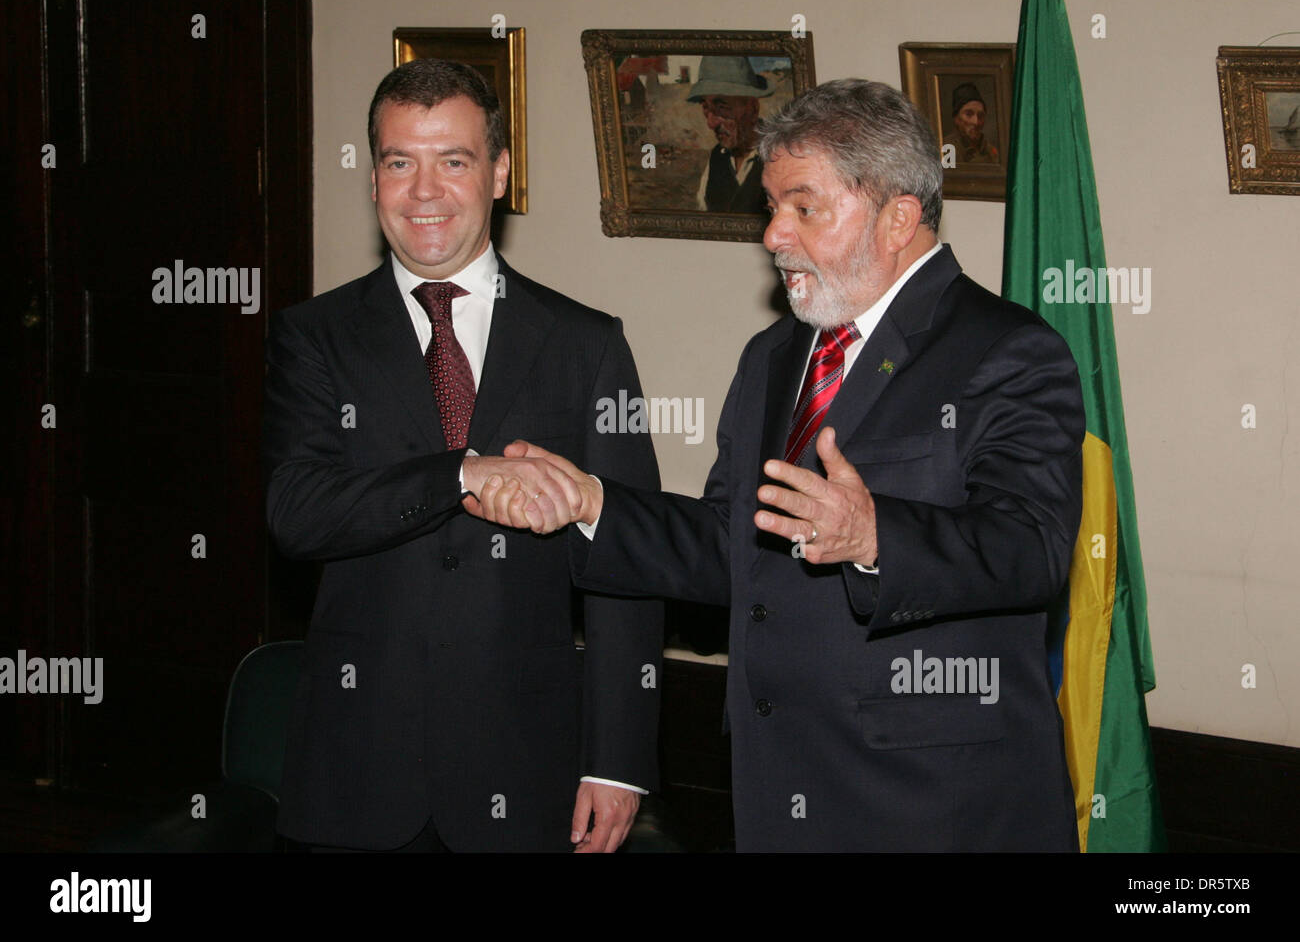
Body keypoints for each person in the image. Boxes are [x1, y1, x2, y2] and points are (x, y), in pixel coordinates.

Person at [470, 79, 1084, 852]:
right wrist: (590, 502)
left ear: (898, 216)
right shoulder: (773, 357)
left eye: (804, 207)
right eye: (771, 206)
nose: (772, 235)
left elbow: (1031, 549)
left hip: (939, 808)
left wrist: (874, 537)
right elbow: (730, 550)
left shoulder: (1008, 351)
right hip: (776, 788)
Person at [263, 59, 662, 852]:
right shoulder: (314, 337)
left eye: (454, 161)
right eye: (399, 162)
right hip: (355, 773)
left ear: (500, 173)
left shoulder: (585, 344)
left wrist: (617, 762)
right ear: (373, 178)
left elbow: (631, 558)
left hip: (525, 768)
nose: (424, 191)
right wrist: (461, 474)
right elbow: (297, 515)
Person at [687, 57, 774, 213]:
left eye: (721, 108)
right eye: (706, 108)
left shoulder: (780, 155)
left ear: (753, 109)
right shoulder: (717, 157)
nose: (711, 123)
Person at [942, 82, 999, 165]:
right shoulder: (947, 148)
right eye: (969, 114)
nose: (976, 122)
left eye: (980, 115)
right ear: (956, 119)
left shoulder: (991, 151)